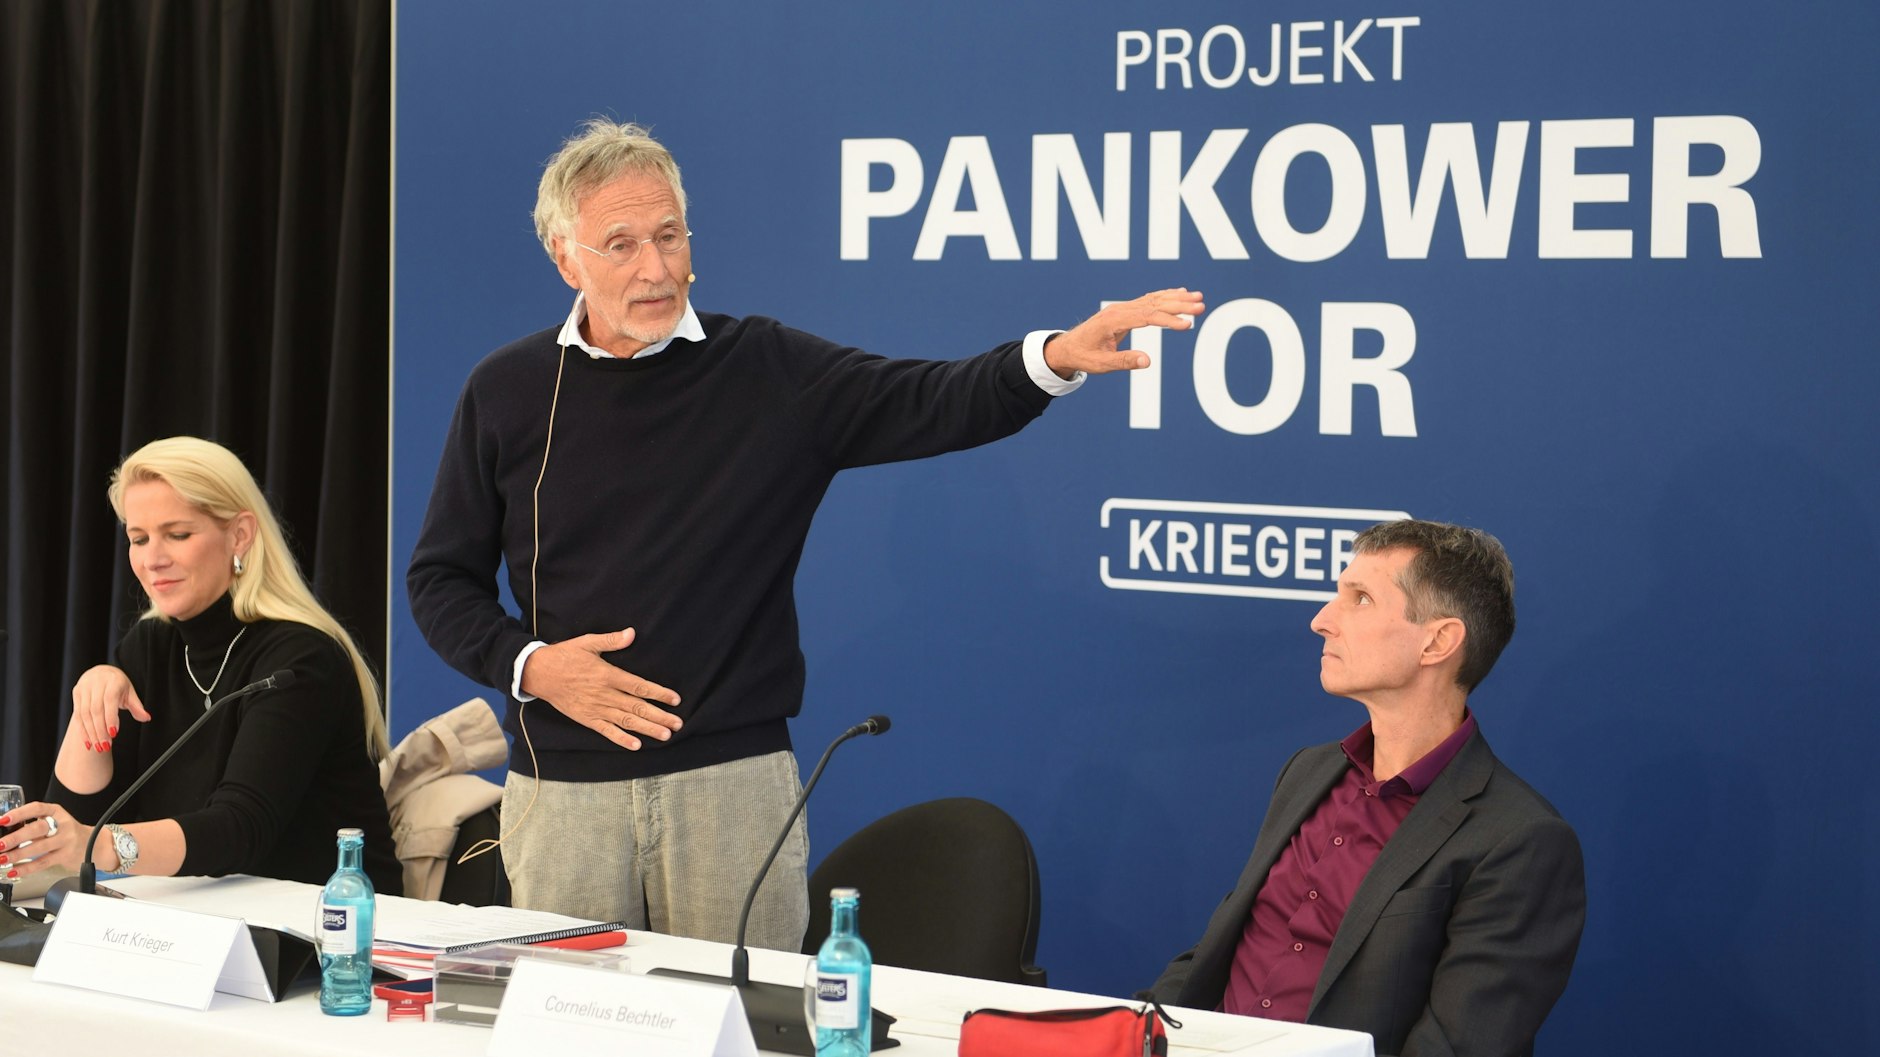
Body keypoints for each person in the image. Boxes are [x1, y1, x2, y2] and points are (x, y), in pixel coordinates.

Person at [406, 117, 1204, 948]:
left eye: (670, 235)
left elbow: (934, 397)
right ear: (566, 258)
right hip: (561, 792)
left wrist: (1057, 356)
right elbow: (439, 580)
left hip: (733, 793)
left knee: (742, 1029)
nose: (655, 267)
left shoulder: (764, 369)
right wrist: (535, 667)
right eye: (621, 244)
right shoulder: (506, 389)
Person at [1150, 520, 1584, 1057]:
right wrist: (1132, 1031)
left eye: (1359, 600)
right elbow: (1220, 949)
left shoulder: (1520, 840)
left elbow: (1459, 1046)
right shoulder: (1307, 772)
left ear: (1438, 641)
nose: (1321, 621)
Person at [0, 437, 399, 893]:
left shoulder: (301, 657)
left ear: (240, 535)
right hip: (203, 921)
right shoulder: (149, 647)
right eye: (138, 538)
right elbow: (75, 827)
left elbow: (239, 830)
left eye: (178, 534)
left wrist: (98, 844)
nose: (153, 559)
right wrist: (90, 701)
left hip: (334, 935)